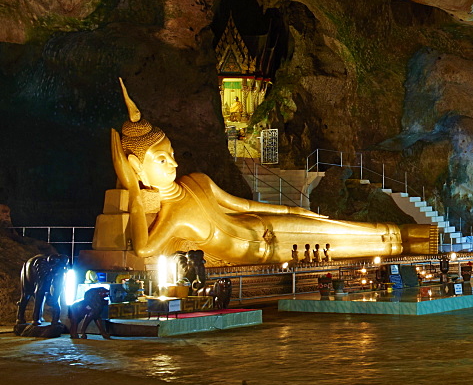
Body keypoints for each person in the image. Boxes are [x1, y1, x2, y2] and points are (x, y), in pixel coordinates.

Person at [102, 79, 434, 265]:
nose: (173, 163)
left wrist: (291, 209)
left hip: (265, 224)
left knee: (338, 226)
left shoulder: (196, 182)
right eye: (161, 160)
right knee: (347, 244)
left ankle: (409, 233)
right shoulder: (171, 214)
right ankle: (408, 241)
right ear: (137, 168)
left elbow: (242, 206)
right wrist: (133, 193)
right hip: (264, 249)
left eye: (171, 154)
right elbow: (144, 250)